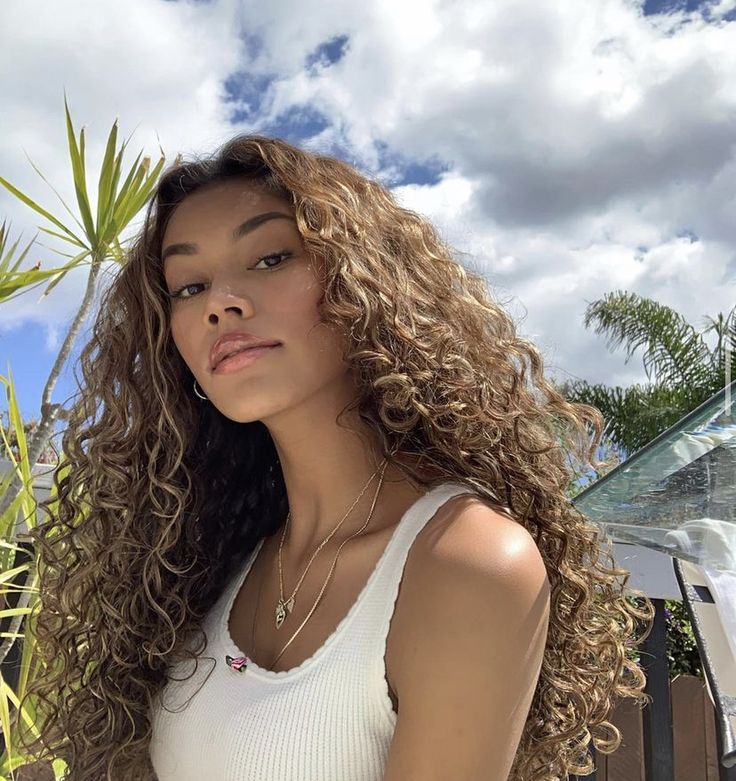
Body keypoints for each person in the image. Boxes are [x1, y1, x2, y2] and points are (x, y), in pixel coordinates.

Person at [18, 136, 654, 780]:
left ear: (366, 286)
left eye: (269, 258)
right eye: (189, 285)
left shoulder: (465, 563)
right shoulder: (208, 557)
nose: (220, 302)